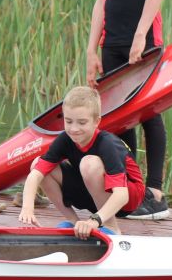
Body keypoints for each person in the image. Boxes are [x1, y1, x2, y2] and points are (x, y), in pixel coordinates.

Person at [83, 0, 170, 221]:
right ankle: (129, 194)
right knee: (120, 119)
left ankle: (156, 190)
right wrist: (91, 51)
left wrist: (140, 36)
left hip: (144, 43)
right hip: (111, 45)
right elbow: (100, 2)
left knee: (149, 111)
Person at [17, 86, 146, 239]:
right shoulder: (65, 139)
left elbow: (122, 195)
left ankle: (111, 227)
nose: (74, 129)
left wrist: (94, 220)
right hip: (94, 191)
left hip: (125, 199)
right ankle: (73, 223)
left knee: (89, 163)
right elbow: (35, 175)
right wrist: (27, 208)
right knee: (38, 164)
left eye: (82, 122)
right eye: (69, 121)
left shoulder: (108, 144)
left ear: (96, 122)